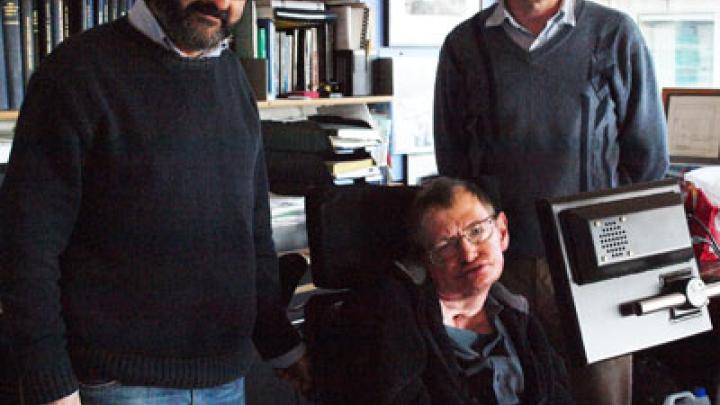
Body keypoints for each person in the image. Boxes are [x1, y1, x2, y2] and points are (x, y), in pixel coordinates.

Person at [0, 0, 310, 404]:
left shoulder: (232, 75)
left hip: (227, 377)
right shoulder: (77, 71)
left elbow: (251, 229)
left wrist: (280, 344)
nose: (221, 4)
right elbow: (25, 246)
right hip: (116, 384)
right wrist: (51, 383)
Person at [433, 0, 669, 404]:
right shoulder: (464, 45)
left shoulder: (615, 34)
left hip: (594, 269)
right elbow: (454, 169)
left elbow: (648, 161)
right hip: (499, 271)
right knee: (508, 392)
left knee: (601, 396)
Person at [316, 177, 573, 404]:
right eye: (445, 245)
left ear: (502, 231)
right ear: (426, 260)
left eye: (477, 231)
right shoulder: (394, 322)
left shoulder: (518, 317)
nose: (468, 252)